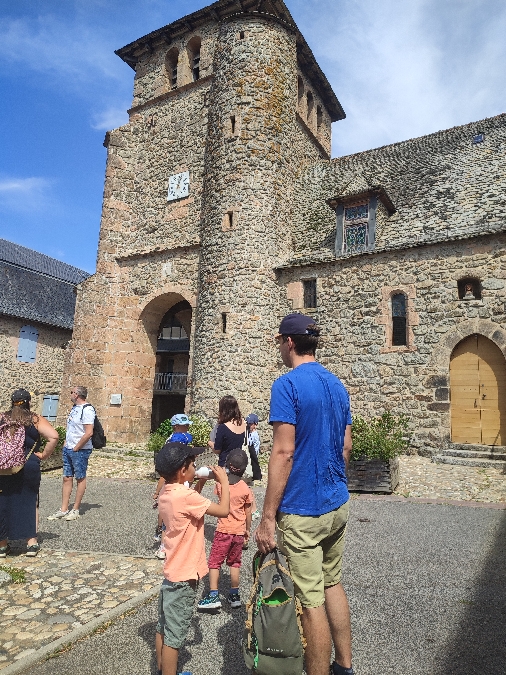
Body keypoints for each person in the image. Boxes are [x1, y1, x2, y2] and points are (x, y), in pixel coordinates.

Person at [255, 314, 354, 675]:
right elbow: (345, 446)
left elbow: (283, 452)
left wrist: (267, 518)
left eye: (280, 340)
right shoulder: (337, 384)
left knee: (310, 602)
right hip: (337, 501)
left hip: (304, 510)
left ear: (290, 343)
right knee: (333, 583)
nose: (279, 347)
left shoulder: (287, 384)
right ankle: (344, 667)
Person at [154, 441, 230, 675]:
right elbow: (223, 510)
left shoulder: (167, 492)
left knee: (163, 627)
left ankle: (161, 669)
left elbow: (189, 505)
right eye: (192, 463)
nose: (195, 465)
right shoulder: (185, 496)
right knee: (175, 637)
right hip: (185, 577)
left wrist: (200, 481)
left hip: (171, 574)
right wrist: (224, 481)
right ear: (181, 471)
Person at [0, 389, 59, 557]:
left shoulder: (2, 417)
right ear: (28, 402)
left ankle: (2, 546)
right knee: (29, 500)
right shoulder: (34, 419)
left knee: (3, 502)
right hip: (28, 464)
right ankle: (31, 543)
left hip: (3, 467)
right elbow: (54, 436)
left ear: (11, 402)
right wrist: (44, 455)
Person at [197, 448, 253, 610]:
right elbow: (248, 512)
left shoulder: (221, 485)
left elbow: (220, 498)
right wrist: (247, 530)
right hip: (239, 532)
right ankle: (234, 594)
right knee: (234, 563)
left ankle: (213, 595)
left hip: (223, 531)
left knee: (215, 562)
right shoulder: (245, 488)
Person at [47, 385, 95, 521]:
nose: (70, 394)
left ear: (77, 395)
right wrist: (66, 444)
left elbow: (89, 432)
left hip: (80, 450)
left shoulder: (87, 410)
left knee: (80, 477)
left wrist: (77, 447)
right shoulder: (74, 408)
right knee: (67, 477)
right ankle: (63, 509)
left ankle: (75, 509)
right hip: (69, 448)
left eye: (72, 392)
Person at [153, 414, 194, 559]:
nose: (188, 427)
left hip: (180, 481)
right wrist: (157, 493)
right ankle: (163, 545)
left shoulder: (184, 438)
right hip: (173, 481)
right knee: (168, 515)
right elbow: (164, 474)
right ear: (176, 427)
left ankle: (165, 536)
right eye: (185, 425)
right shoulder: (174, 443)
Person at [212, 396, 246, 467]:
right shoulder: (244, 424)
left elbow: (217, 450)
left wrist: (209, 442)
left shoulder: (223, 427)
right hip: (239, 465)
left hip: (225, 465)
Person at [245, 413, 262, 484]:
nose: (248, 426)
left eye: (250, 424)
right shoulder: (246, 432)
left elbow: (256, 446)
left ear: (255, 424)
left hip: (252, 453)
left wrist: (255, 455)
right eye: (248, 424)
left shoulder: (255, 435)